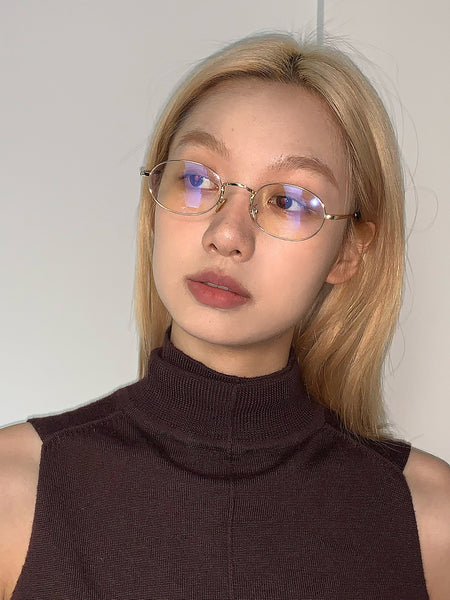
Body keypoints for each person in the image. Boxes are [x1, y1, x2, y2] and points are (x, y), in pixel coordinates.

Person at [1, 32, 449, 600]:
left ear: (349, 252)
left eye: (288, 200)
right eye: (196, 178)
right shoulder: (13, 492)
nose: (227, 234)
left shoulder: (429, 521)